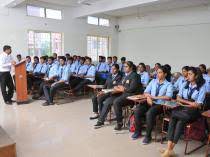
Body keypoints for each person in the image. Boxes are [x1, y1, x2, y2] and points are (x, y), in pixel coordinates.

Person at [160, 67, 206, 157]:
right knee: (179, 121)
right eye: (187, 74)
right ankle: (170, 149)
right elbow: (178, 97)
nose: (187, 76)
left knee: (174, 116)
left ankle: (168, 150)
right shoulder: (185, 84)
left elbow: (197, 105)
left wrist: (185, 101)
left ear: (196, 76)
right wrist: (190, 102)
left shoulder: (202, 87)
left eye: (190, 74)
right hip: (183, 108)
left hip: (194, 112)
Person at [132, 66, 173, 144]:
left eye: (160, 72)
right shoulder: (153, 81)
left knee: (149, 113)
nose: (157, 74)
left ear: (165, 74)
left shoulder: (169, 84)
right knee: (137, 110)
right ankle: (138, 132)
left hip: (160, 104)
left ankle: (148, 136)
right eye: (157, 72)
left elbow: (168, 97)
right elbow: (146, 92)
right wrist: (148, 98)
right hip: (150, 101)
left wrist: (154, 97)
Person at [113, 61, 143, 130]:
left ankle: (119, 122)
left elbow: (132, 89)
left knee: (116, 102)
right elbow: (120, 84)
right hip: (125, 93)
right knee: (113, 99)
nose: (124, 68)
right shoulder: (125, 75)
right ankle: (119, 117)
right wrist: (119, 87)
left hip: (132, 95)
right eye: (123, 66)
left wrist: (123, 89)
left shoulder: (135, 75)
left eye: (126, 66)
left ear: (131, 67)